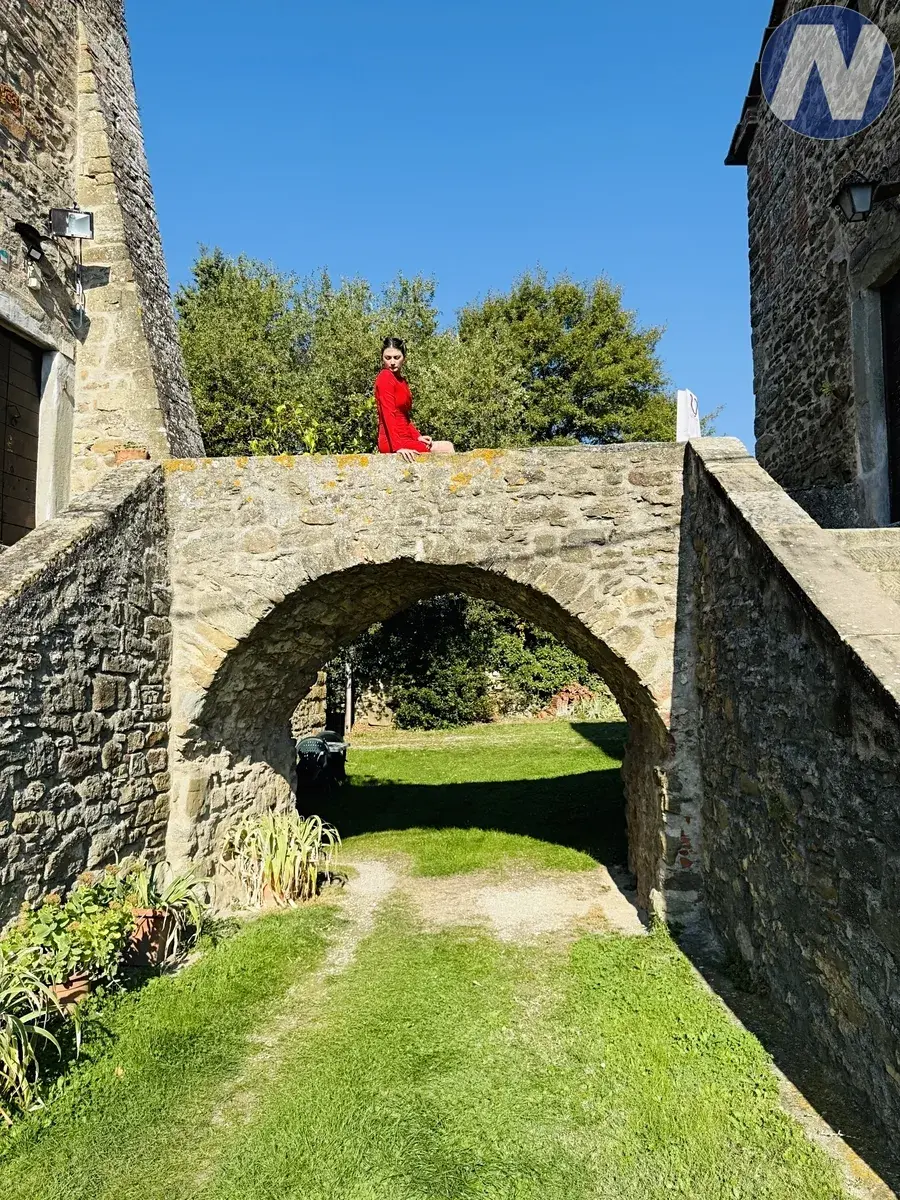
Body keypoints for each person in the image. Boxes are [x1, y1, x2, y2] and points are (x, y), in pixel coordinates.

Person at [374, 337, 455, 462]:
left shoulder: (402, 382)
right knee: (446, 448)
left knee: (447, 446)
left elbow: (405, 417)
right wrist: (398, 447)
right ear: (382, 358)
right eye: (388, 358)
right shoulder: (385, 376)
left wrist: (418, 436)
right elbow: (387, 413)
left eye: (396, 357)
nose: (392, 362)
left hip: (406, 437)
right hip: (391, 440)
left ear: (404, 358)